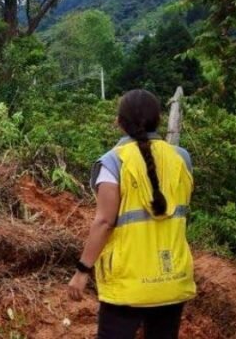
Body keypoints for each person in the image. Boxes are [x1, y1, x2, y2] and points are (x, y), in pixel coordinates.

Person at [68, 89, 196, 339]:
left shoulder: (113, 163)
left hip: (127, 283)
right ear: (158, 119)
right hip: (173, 277)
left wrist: (82, 271)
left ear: (119, 122)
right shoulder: (182, 159)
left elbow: (104, 222)